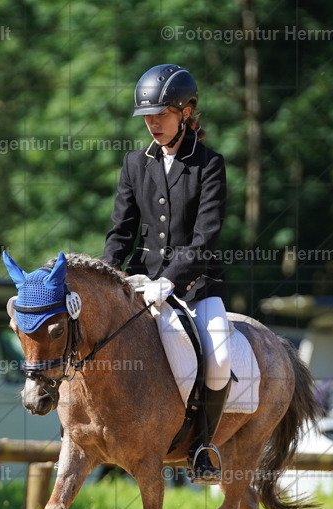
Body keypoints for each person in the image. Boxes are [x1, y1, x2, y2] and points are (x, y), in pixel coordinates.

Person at [102, 64, 230, 485]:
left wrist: (171, 279)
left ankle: (203, 447)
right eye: (147, 117)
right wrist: (107, 277)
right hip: (141, 283)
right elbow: (121, 232)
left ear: (186, 112)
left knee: (219, 361)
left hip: (196, 285)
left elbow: (205, 238)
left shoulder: (209, 165)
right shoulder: (134, 163)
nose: (152, 123)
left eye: (161, 114)